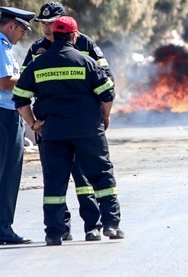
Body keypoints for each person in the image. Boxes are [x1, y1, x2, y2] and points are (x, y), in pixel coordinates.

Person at [13, 15, 124, 246]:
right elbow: (107, 93)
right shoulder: (86, 62)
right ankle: (111, 224)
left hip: (53, 133)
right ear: (74, 36)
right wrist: (104, 116)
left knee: (54, 183)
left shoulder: (38, 63)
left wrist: (33, 124)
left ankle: (54, 233)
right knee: (101, 175)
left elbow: (20, 98)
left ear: (55, 34)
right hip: (88, 131)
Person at [0, 6, 36, 246]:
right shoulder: (0, 47)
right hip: (4, 114)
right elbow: (4, 82)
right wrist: (31, 79)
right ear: (11, 25)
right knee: (8, 176)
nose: (22, 36)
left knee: (3, 174)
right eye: (21, 30)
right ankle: (2, 229)